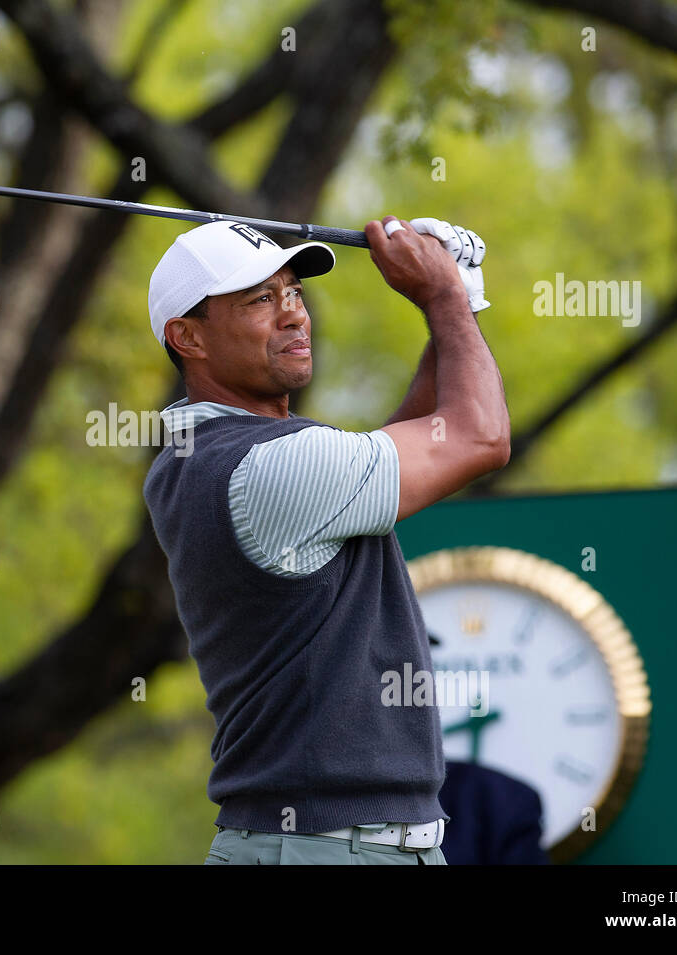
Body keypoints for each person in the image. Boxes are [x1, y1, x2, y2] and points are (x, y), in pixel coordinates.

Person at [141, 215, 509, 865]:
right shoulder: (269, 466)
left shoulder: (203, 454)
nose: (292, 316)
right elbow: (478, 436)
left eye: (295, 293)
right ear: (187, 336)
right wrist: (444, 297)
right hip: (332, 849)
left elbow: (428, 430)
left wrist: (459, 295)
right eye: (259, 299)